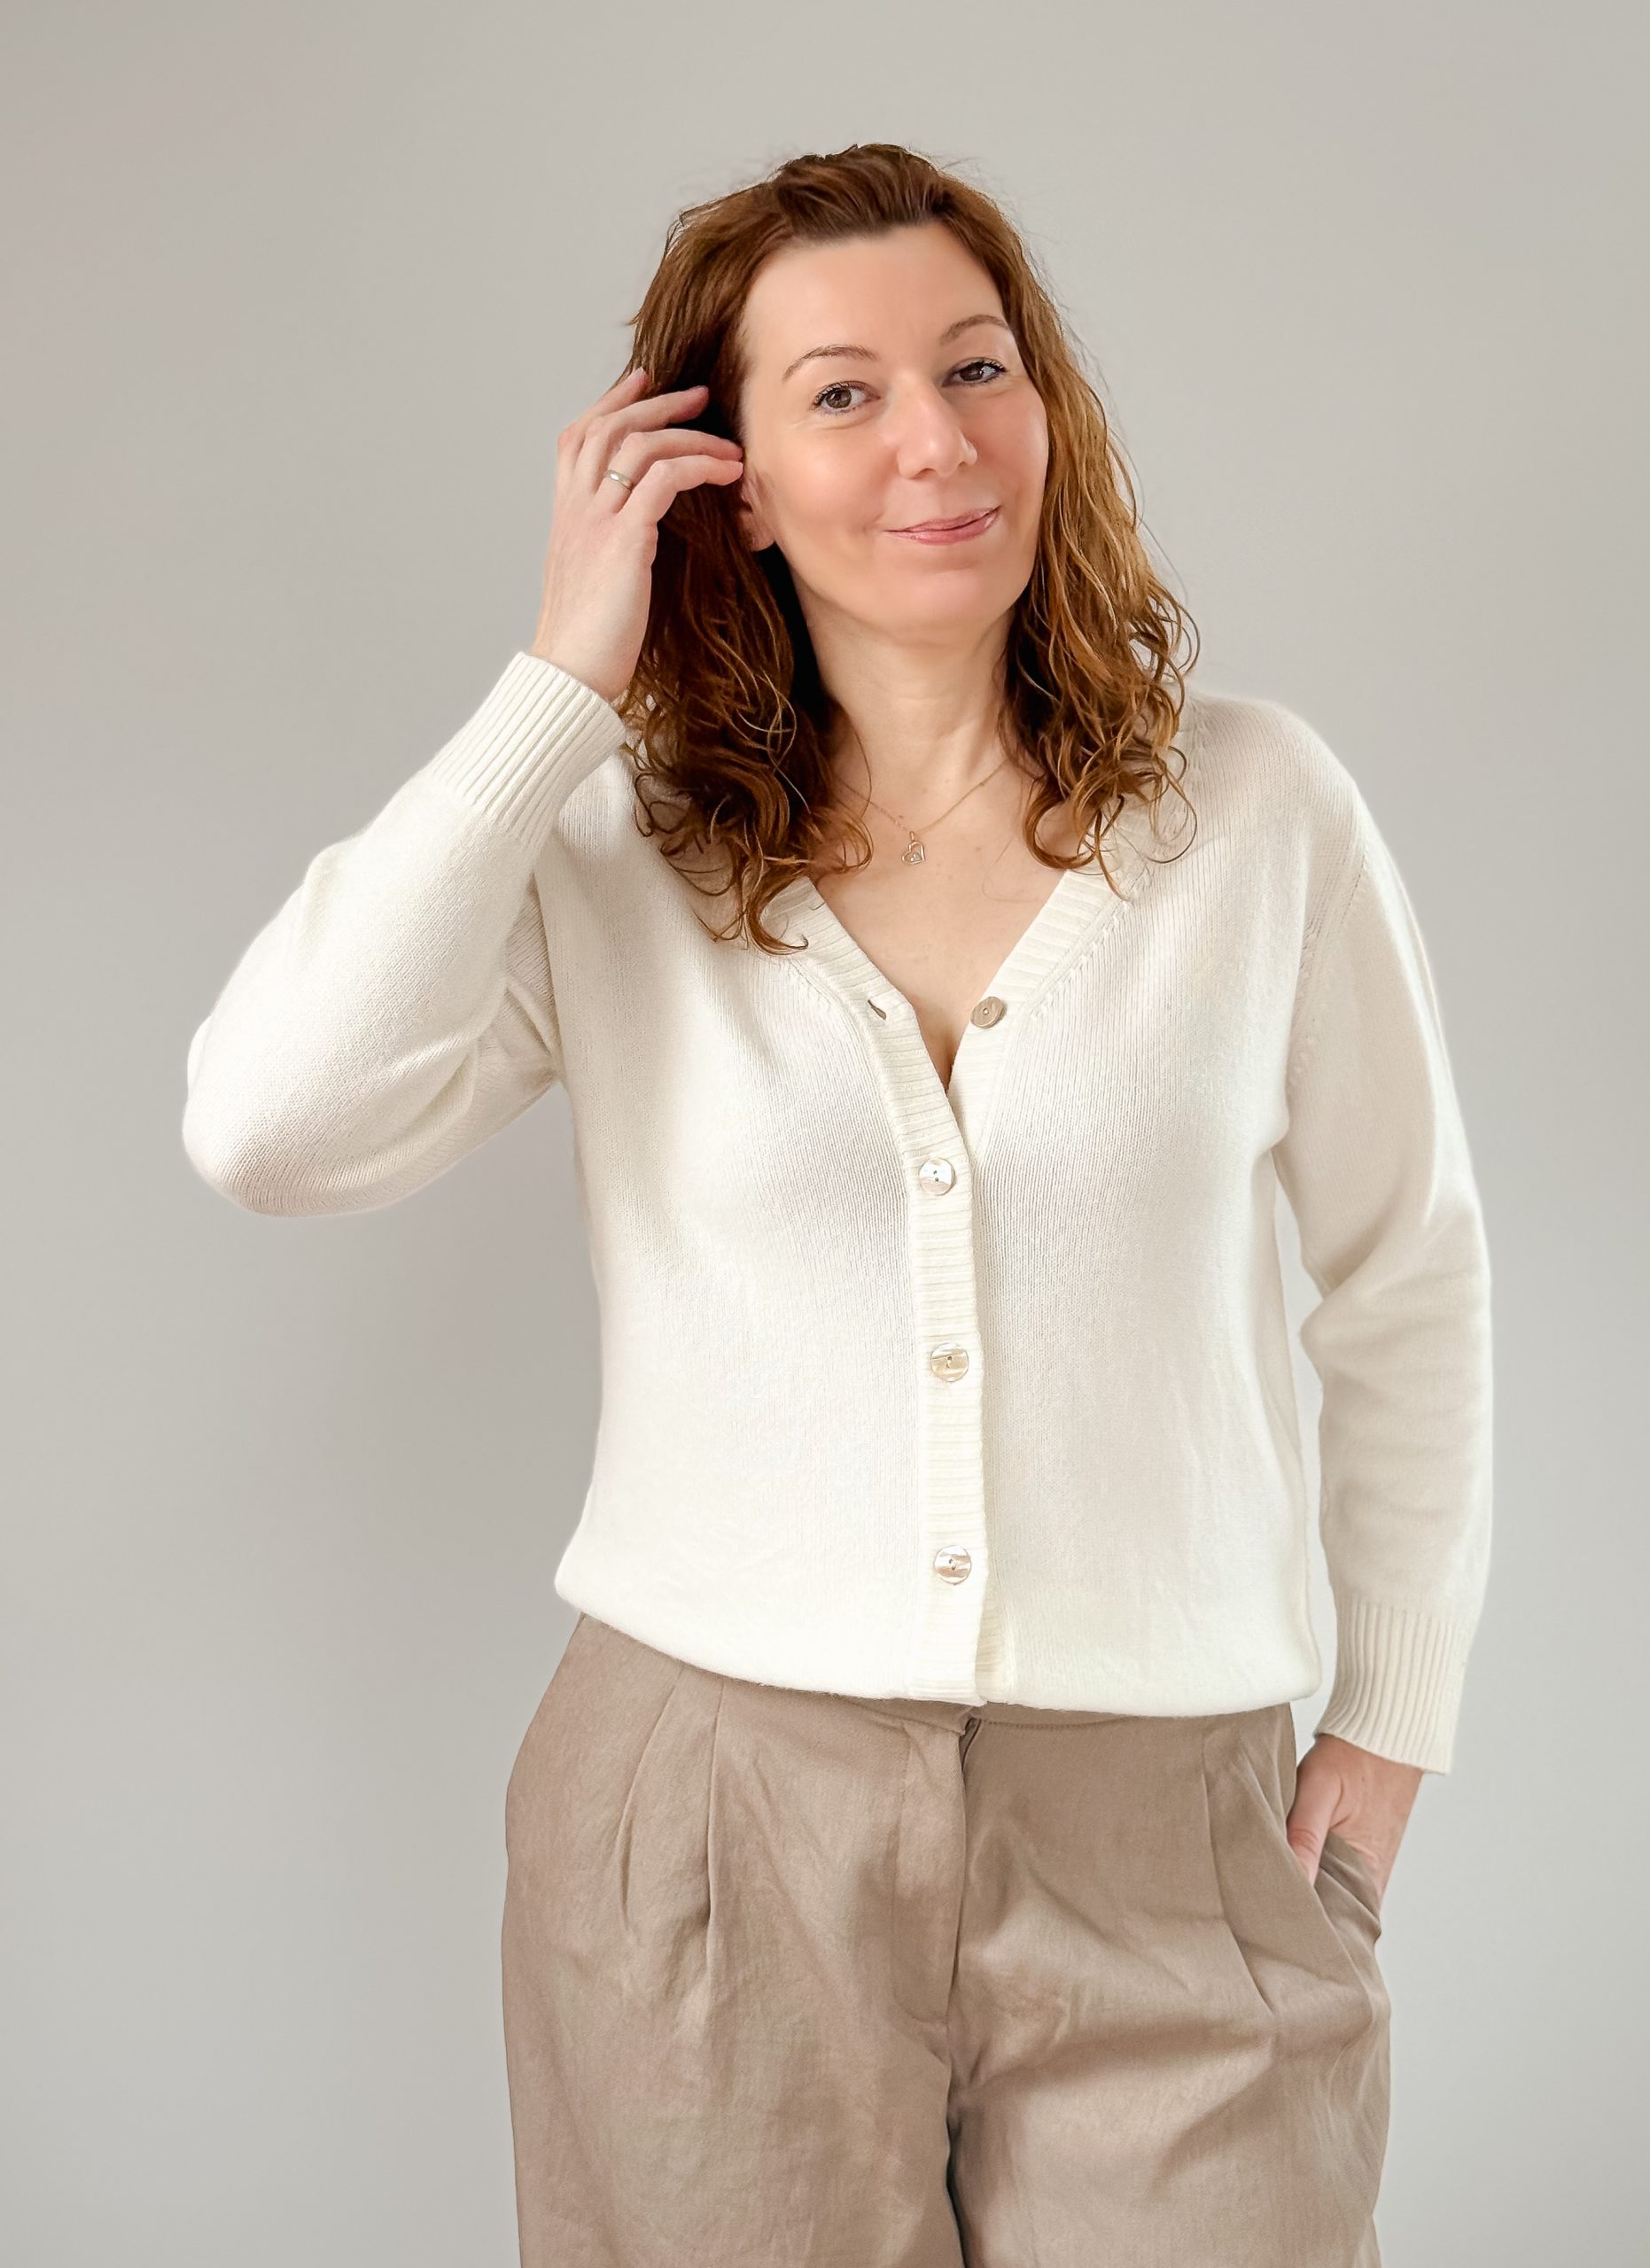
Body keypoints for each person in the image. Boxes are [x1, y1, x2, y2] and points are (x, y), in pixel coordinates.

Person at [182, 142, 1491, 2268]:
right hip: (708, 1822)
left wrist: (1392, 1707)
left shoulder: (1257, 814)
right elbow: (269, 1122)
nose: (936, 442)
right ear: (734, 483)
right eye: (842, 395)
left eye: (975, 368)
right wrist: (557, 685)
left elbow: (1404, 1268)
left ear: (1045, 405)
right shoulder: (616, 846)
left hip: (1170, 1825)